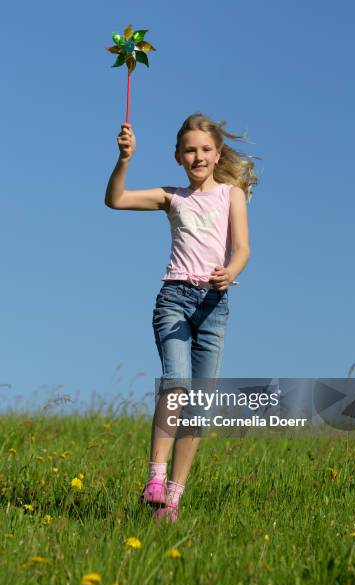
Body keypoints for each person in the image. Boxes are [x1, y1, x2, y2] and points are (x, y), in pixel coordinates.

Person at [105, 113, 257, 522]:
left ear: (218, 153)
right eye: (190, 150)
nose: (198, 156)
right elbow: (115, 199)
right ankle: (154, 478)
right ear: (177, 156)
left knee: (200, 406)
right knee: (176, 385)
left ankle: (172, 499)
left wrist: (232, 271)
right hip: (174, 299)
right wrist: (125, 159)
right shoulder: (172, 197)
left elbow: (242, 248)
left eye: (206, 149)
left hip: (214, 305)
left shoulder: (232, 195)